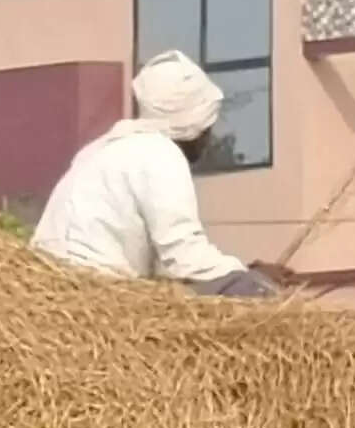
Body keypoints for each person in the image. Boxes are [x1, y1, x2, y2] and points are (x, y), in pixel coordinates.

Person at [29, 50, 276, 296]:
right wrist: (250, 279)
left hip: (56, 286)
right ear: (193, 125)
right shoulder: (161, 154)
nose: (209, 138)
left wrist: (240, 269)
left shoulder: (98, 150)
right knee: (255, 295)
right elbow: (184, 256)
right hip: (96, 291)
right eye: (208, 127)